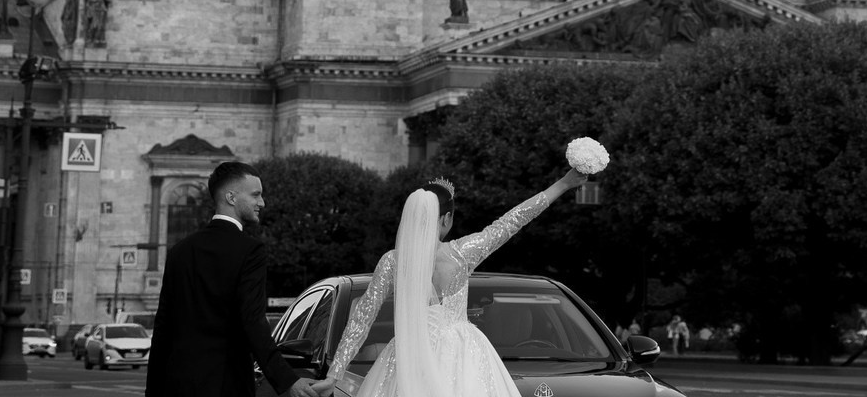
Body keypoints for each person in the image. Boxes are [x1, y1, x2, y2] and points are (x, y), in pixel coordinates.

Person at [315, 165, 588, 397]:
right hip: (462, 356)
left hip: (408, 359)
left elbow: (362, 318)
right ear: (446, 218)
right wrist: (564, 183)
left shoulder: (392, 262)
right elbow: (511, 222)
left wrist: (334, 374)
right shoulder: (461, 254)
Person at [146, 161, 316, 397]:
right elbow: (253, 322)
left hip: (177, 386)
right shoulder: (250, 251)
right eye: (256, 195)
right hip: (226, 386)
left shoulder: (179, 251)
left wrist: (152, 391)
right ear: (231, 197)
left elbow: (163, 328)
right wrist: (288, 380)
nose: (262, 203)